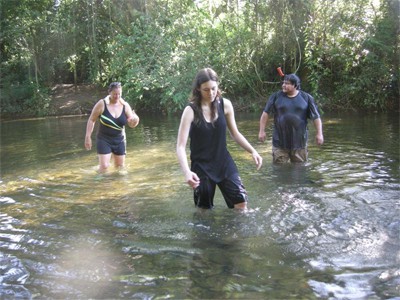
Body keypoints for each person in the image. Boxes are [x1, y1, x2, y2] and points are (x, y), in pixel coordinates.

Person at [176, 68, 262, 210]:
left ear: (218, 86)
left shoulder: (225, 105)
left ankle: (239, 232)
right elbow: (180, 146)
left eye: (213, 88)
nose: (210, 93)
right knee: (204, 210)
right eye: (206, 90)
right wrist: (186, 172)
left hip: (223, 162)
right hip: (201, 166)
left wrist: (253, 151)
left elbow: (235, 133)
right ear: (198, 89)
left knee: (241, 201)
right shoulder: (190, 111)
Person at [258, 73, 324, 163]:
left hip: (299, 142)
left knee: (300, 170)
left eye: (287, 83)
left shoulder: (306, 98)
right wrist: (261, 131)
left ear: (295, 85)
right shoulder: (276, 96)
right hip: (279, 141)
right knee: (279, 170)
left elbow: (316, 117)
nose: (283, 85)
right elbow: (265, 114)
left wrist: (319, 134)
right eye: (283, 83)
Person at [84, 82, 140, 173]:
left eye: (119, 94)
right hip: (104, 139)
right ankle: (101, 183)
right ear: (109, 92)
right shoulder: (102, 104)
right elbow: (91, 120)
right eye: (115, 94)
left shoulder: (125, 106)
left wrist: (135, 120)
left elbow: (132, 124)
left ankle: (118, 186)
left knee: (119, 167)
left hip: (120, 140)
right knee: (104, 167)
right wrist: (87, 137)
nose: (117, 96)